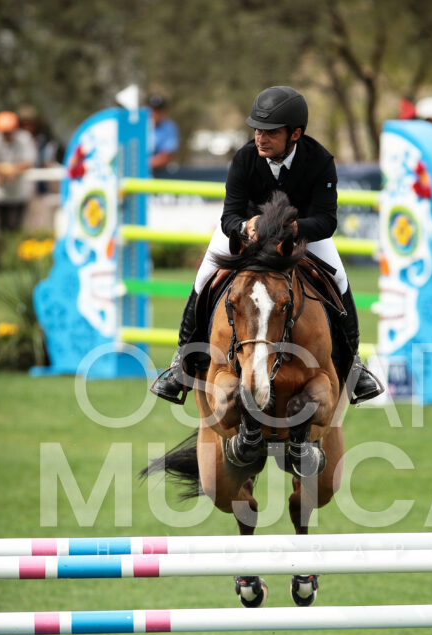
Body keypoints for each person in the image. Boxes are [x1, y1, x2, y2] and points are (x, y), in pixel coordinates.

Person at [151, 85, 383, 405]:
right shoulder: (245, 158)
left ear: (295, 134)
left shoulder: (319, 160)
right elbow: (229, 216)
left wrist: (292, 228)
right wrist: (245, 227)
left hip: (299, 235)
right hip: (249, 233)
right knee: (204, 276)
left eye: (271, 132)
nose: (261, 138)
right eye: (258, 130)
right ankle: (181, 362)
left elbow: (327, 221)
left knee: (339, 278)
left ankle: (354, 364)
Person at [0, 111, 37, 231]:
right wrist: (3, 170)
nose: (7, 135)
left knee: (17, 225)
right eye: (4, 132)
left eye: (9, 132)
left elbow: (29, 161)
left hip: (20, 190)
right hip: (0, 191)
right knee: (2, 225)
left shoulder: (24, 139)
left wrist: (13, 170)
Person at [148, 94, 179, 176]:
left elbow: (166, 156)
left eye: (158, 110)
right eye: (152, 109)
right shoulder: (138, 125)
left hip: (159, 174)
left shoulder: (169, 128)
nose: (155, 113)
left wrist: (142, 164)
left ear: (164, 111)